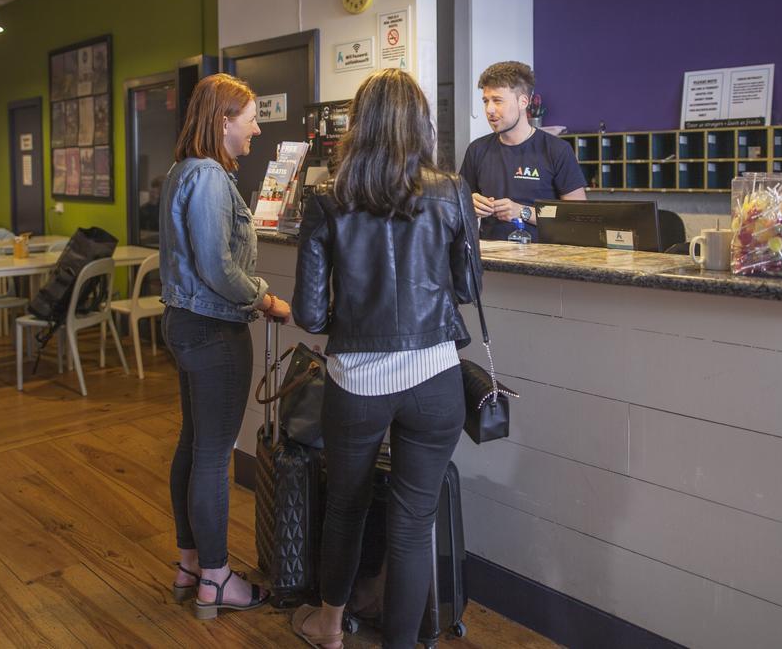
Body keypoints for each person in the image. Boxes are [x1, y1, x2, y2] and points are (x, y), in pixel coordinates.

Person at [291, 68, 480, 649]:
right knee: (411, 522)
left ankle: (328, 626)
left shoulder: (327, 198)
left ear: (357, 125)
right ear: (421, 124)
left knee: (345, 509)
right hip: (435, 381)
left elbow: (310, 315)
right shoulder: (450, 192)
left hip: (357, 381)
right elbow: (467, 288)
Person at [159, 73, 290, 619]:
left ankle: (190, 563)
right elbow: (219, 268)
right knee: (213, 457)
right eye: (251, 118)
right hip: (215, 330)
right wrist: (264, 299)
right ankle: (216, 578)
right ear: (223, 121)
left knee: (193, 446)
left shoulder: (180, 171)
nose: (257, 129)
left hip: (184, 324)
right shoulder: (211, 178)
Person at [459, 60, 587, 241]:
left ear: (523, 101)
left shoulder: (556, 150)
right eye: (486, 101)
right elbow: (457, 207)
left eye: (497, 101)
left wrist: (523, 212)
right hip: (490, 261)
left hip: (543, 261)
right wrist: (470, 204)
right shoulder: (477, 150)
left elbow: (578, 217)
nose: (490, 109)